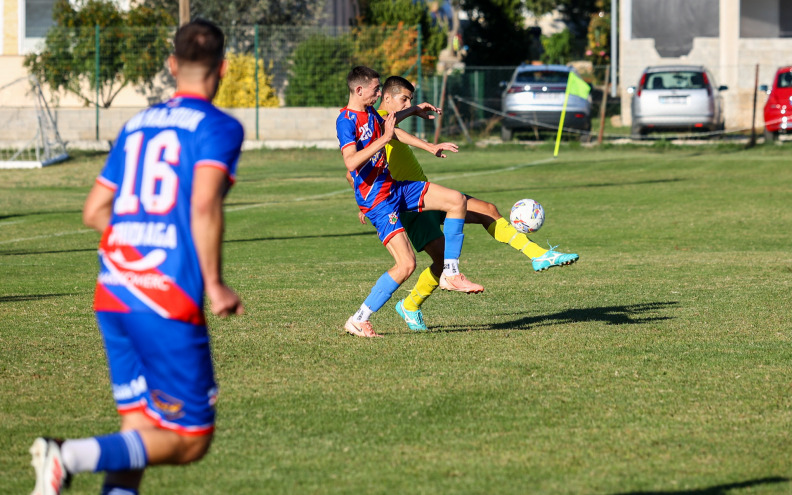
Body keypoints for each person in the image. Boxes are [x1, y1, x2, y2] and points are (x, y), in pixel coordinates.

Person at [29, 19, 244, 495]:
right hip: (165, 298)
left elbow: (94, 211)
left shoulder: (136, 125)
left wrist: (140, 238)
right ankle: (68, 454)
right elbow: (204, 204)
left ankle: (74, 462)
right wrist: (214, 283)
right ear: (223, 70)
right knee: (190, 441)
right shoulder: (219, 127)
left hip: (113, 293)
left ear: (172, 65)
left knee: (138, 432)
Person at [375, 76, 579, 331]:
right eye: (403, 99)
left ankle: (539, 255)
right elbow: (387, 128)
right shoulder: (376, 119)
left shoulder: (387, 117)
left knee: (488, 210)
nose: (407, 103)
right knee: (441, 261)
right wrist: (426, 139)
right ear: (386, 97)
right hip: (408, 204)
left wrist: (412, 110)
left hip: (427, 191)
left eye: (410, 99)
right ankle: (410, 305)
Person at [337, 66, 484, 338]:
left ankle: (450, 272)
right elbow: (351, 162)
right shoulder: (345, 121)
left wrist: (413, 111)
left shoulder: (369, 112)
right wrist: (383, 139)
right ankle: (359, 319)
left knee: (456, 200)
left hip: (394, 187)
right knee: (406, 265)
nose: (379, 93)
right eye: (375, 89)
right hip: (377, 200)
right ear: (359, 90)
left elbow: (389, 122)